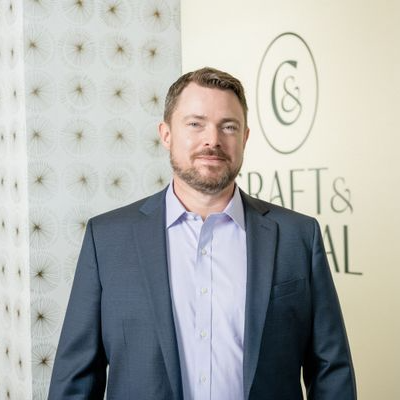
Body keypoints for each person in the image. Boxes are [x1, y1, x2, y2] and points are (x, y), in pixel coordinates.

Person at [48, 67, 357, 400]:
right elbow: (76, 379)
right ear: (166, 134)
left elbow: (331, 370)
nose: (213, 140)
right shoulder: (107, 239)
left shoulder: (298, 236)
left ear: (245, 138)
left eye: (228, 126)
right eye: (195, 124)